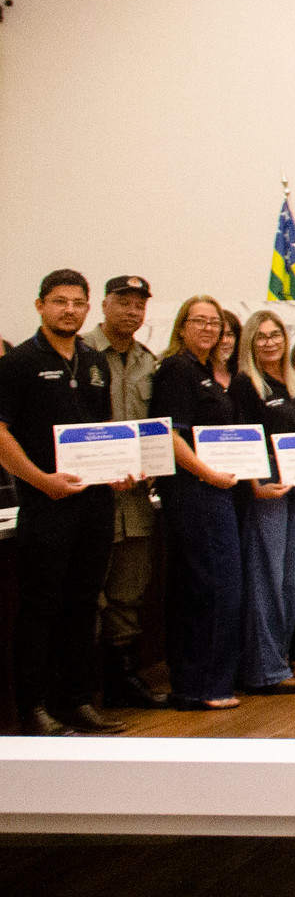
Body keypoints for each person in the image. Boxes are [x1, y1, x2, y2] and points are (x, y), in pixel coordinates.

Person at [0, 271, 128, 735]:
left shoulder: (94, 361)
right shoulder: (17, 363)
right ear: (40, 306)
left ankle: (75, 701)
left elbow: (105, 427)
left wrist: (118, 469)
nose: (69, 310)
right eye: (59, 302)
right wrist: (41, 480)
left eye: (77, 303)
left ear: (87, 309)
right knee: (41, 607)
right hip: (47, 503)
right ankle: (33, 708)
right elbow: (0, 433)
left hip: (93, 505)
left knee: (82, 603)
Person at [147, 295, 245, 712]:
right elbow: (170, 434)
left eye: (216, 323)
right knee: (210, 586)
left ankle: (205, 681)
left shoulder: (205, 372)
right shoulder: (176, 370)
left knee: (214, 585)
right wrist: (207, 474)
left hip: (214, 489)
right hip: (194, 491)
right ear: (182, 325)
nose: (209, 329)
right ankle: (200, 684)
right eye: (199, 321)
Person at [84, 274, 167, 709]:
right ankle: (81, 687)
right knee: (86, 590)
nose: (132, 312)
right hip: (88, 496)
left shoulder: (146, 361)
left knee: (128, 591)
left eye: (140, 305)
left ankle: (122, 679)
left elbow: (154, 427)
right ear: (104, 304)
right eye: (124, 303)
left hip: (134, 499)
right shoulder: (79, 355)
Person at [230, 311, 295, 697]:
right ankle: (263, 669)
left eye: (275, 334)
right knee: (267, 580)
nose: (269, 342)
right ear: (250, 341)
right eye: (260, 336)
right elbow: (244, 439)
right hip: (266, 491)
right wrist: (254, 486)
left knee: (291, 581)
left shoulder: (289, 382)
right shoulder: (247, 383)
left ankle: (278, 658)